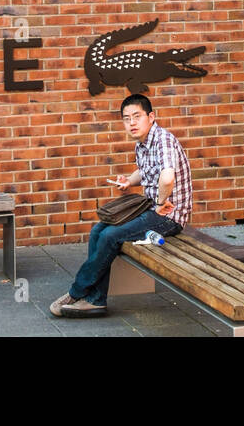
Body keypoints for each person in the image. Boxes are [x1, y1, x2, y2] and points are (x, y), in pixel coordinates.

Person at [50, 93, 192, 318]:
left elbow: (167, 178)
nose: (132, 123)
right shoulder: (142, 143)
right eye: (127, 119)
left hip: (169, 216)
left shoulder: (163, 140)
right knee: (99, 230)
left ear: (151, 117)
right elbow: (145, 172)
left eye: (137, 116)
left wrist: (159, 203)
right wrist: (129, 181)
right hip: (152, 207)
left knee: (110, 236)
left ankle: (76, 292)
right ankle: (96, 301)